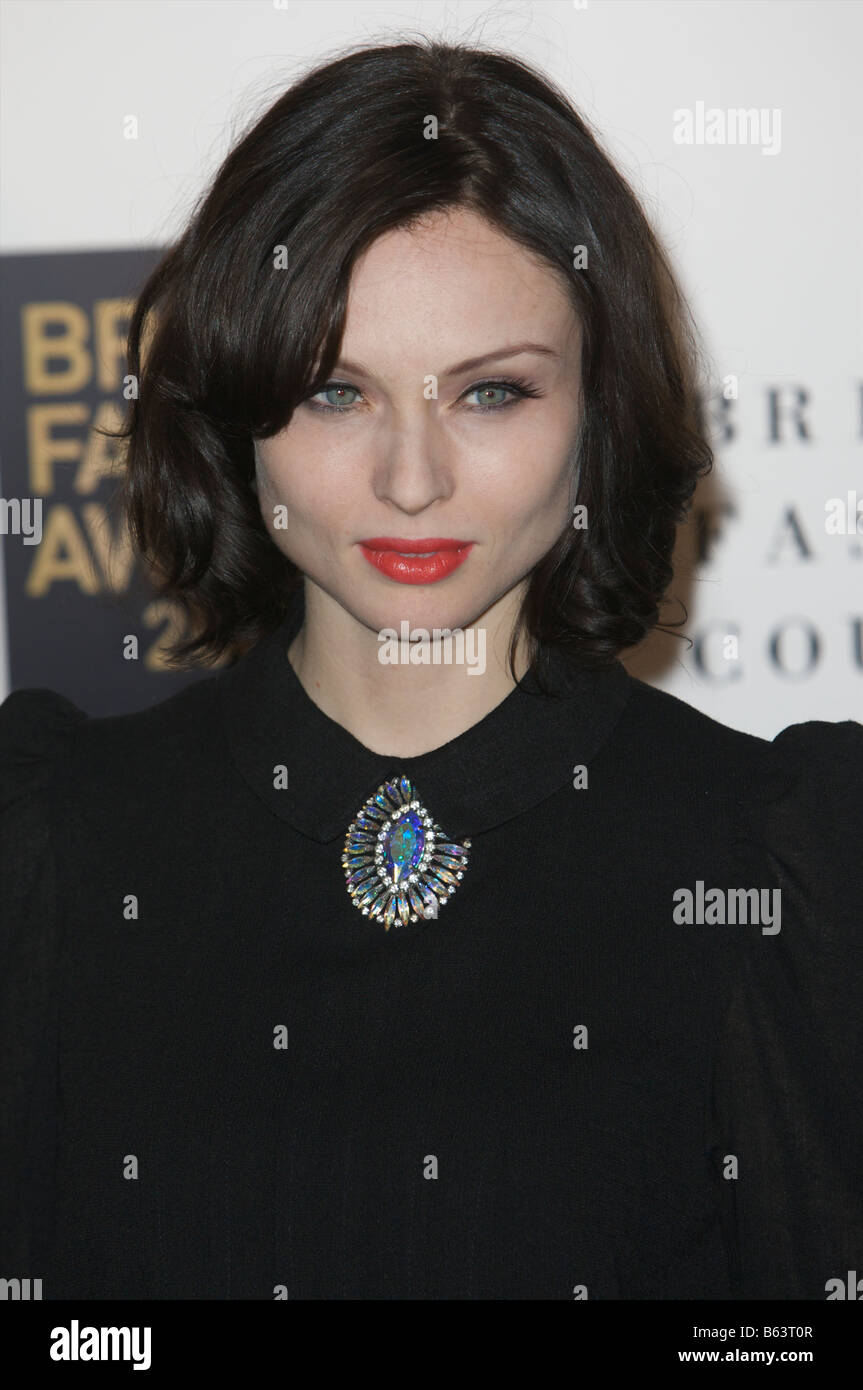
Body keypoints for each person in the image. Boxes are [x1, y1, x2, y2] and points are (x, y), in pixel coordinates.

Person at [1, 38, 861, 1301]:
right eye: (334, 393)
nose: (413, 480)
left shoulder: (773, 864)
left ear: (599, 411)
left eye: (491, 394)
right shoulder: (52, 847)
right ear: (234, 410)